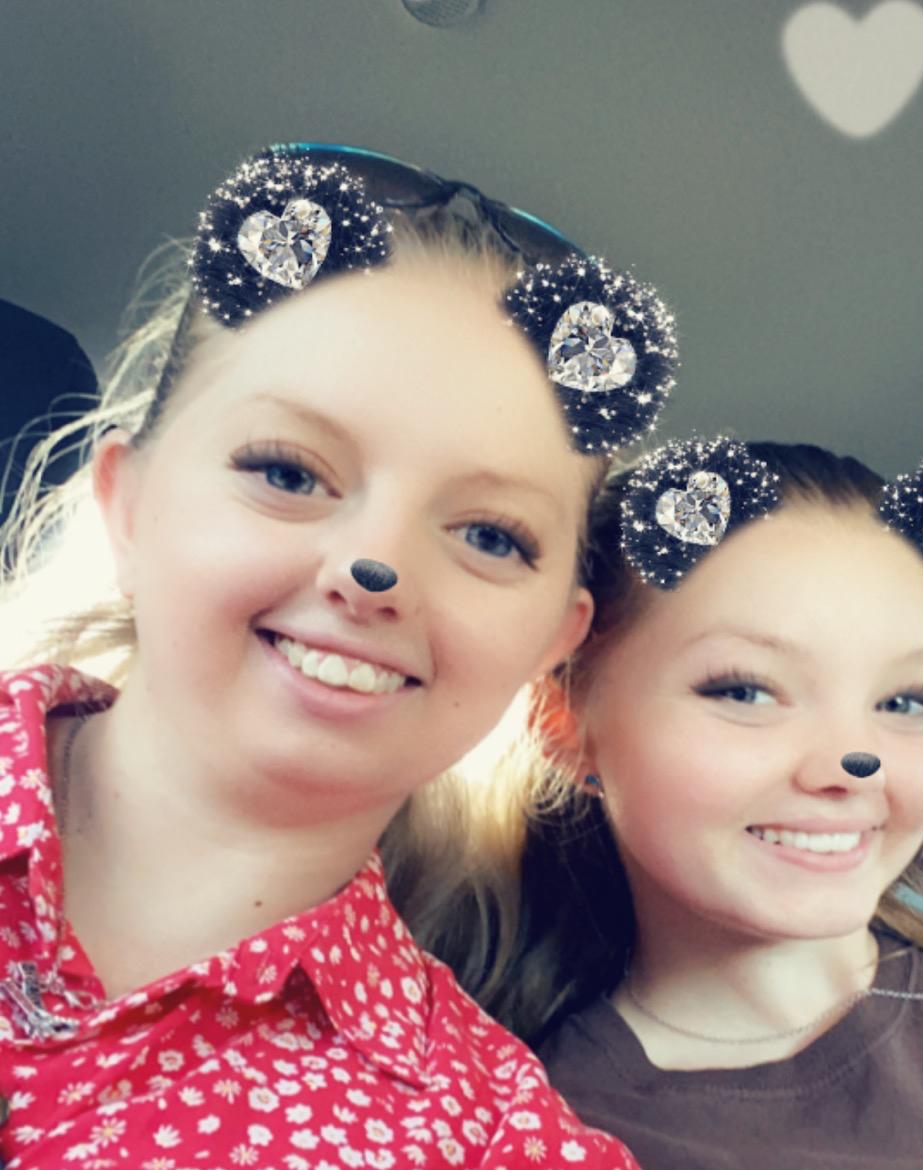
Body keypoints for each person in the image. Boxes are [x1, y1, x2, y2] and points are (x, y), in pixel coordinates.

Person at [0, 142, 678, 1168]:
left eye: (489, 535)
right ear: (126, 507)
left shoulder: (495, 1139)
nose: (376, 568)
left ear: (551, 645)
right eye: (288, 472)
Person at [412, 437, 923, 1170]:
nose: (851, 768)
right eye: (745, 691)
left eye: (905, 701)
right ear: (564, 724)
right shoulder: (563, 1134)